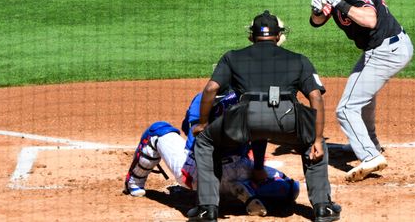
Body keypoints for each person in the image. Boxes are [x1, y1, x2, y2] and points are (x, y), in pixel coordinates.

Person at [187, 11, 340, 222]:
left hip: (244, 120)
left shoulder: (232, 56)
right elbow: (316, 97)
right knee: (313, 144)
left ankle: (208, 209)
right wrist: (316, 139)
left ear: (251, 36)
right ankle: (323, 208)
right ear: (278, 36)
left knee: (205, 141)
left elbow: (211, 89)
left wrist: (202, 123)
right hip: (286, 119)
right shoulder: (299, 59)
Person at [310, 0, 414, 182]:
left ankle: (370, 157)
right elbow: (317, 22)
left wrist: (340, 3)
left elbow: (369, 19)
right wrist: (317, 9)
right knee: (360, 97)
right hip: (380, 50)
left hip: (389, 50)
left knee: (346, 108)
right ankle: (371, 143)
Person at [123, 90, 299, 217]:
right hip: (241, 171)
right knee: (291, 187)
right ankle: (245, 188)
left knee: (157, 130)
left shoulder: (203, 99)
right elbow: (261, 136)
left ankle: (135, 183)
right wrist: (258, 168)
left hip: (199, 177)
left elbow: (190, 134)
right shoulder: (255, 101)